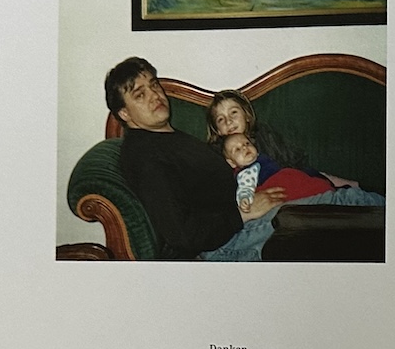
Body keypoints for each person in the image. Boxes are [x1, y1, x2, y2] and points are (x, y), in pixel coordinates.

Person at [104, 58, 285, 261]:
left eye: (154, 85)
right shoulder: (145, 156)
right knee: (312, 218)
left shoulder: (165, 138)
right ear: (124, 113)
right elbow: (181, 234)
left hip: (239, 221)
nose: (154, 95)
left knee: (313, 210)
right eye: (140, 95)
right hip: (225, 242)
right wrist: (244, 213)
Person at [205, 89, 384, 206]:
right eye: (221, 119)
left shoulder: (264, 136)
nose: (228, 121)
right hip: (274, 201)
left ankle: (357, 190)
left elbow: (295, 165)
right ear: (217, 130)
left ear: (247, 116)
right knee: (341, 200)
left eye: (233, 112)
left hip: (297, 181)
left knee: (340, 192)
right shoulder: (216, 155)